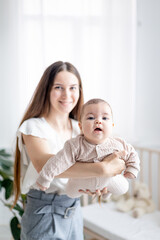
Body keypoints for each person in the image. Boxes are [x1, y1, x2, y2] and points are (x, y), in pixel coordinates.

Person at [13, 61, 125, 240]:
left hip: (74, 209)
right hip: (44, 212)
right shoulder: (33, 127)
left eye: (73, 87)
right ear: (47, 90)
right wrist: (102, 169)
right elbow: (44, 165)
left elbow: (104, 159)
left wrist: (99, 183)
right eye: (59, 87)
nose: (67, 95)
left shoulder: (81, 128)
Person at [36, 98, 140, 199]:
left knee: (124, 188)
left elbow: (132, 154)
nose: (98, 121)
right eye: (91, 118)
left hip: (108, 180)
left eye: (104, 118)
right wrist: (45, 178)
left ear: (112, 125)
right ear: (80, 126)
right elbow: (58, 162)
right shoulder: (74, 145)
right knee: (70, 192)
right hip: (80, 181)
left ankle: (107, 191)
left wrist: (132, 168)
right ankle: (103, 191)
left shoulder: (118, 143)